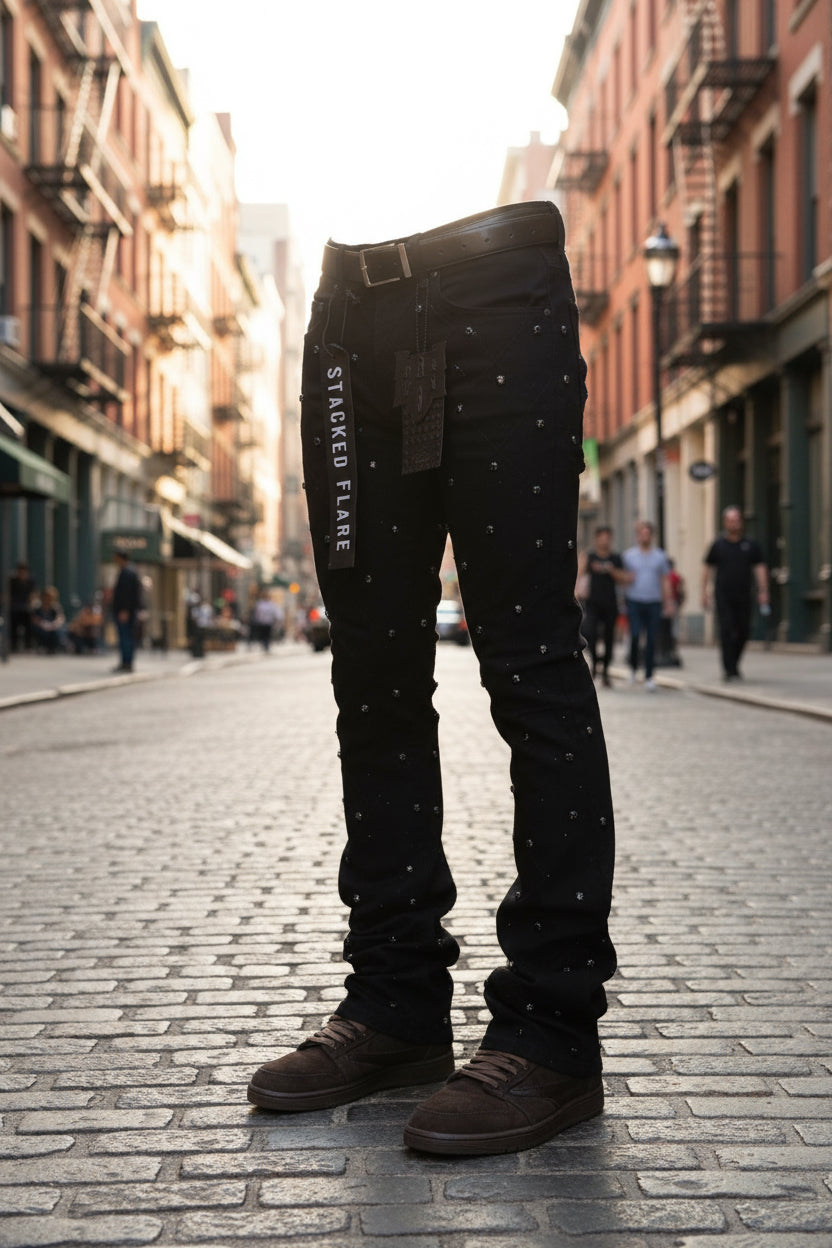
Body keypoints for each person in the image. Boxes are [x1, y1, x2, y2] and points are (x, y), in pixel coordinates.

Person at [246, 201, 617, 1157]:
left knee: (530, 667)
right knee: (371, 683)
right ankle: (396, 1002)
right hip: (343, 328)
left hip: (498, 299)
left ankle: (551, 1030)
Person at [702, 505, 769, 681]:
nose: (734, 523)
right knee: (726, 629)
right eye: (730, 520)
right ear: (725, 522)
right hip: (723, 594)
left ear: (741, 522)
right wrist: (704, 592)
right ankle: (729, 668)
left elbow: (760, 567)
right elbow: (707, 568)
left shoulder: (751, 545)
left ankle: (735, 663)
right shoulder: (718, 545)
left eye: (737, 520)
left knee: (743, 630)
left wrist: (763, 590)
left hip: (744, 593)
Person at [577, 526, 632, 687]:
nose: (604, 540)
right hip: (592, 603)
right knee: (590, 634)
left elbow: (624, 578)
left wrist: (610, 570)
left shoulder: (616, 558)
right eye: (601, 537)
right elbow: (579, 574)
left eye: (607, 537)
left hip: (610, 603)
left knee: (609, 638)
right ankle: (594, 664)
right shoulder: (590, 556)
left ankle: (606, 672)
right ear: (596, 539)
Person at [622, 520, 672, 691]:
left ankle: (649, 675)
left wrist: (668, 601)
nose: (645, 536)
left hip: (654, 601)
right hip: (634, 600)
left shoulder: (660, 556)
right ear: (637, 536)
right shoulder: (628, 556)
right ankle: (633, 668)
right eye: (642, 533)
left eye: (647, 533)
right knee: (635, 635)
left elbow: (664, 580)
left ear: (651, 535)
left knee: (652, 639)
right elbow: (622, 578)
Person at [111, 549, 142, 673]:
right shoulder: (128, 571)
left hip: (125, 611)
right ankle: (126, 662)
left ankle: (127, 662)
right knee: (125, 637)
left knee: (126, 637)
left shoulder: (128, 573)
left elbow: (127, 594)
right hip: (126, 611)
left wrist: (125, 610)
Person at [9, 561, 36, 652]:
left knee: (29, 624)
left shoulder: (30, 582)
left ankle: (28, 645)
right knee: (13, 625)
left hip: (25, 608)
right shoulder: (12, 581)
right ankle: (14, 645)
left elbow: (32, 595)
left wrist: (31, 603)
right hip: (14, 608)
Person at [31, 586, 66, 654]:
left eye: (50, 597)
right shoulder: (37, 607)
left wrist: (54, 624)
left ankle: (53, 648)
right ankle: (42, 646)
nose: (48, 599)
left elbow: (60, 618)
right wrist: (43, 624)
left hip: (53, 627)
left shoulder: (56, 608)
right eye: (46, 597)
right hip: (41, 627)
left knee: (57, 632)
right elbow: (34, 618)